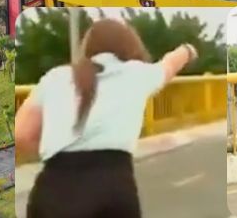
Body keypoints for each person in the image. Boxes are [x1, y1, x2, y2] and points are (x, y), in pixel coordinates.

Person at [14, 19, 199, 218]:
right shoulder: (136, 73)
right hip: (112, 189)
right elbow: (170, 63)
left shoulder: (55, 77)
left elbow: (22, 135)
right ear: (128, 46)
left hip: (52, 190)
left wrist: (54, 151)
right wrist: (188, 50)